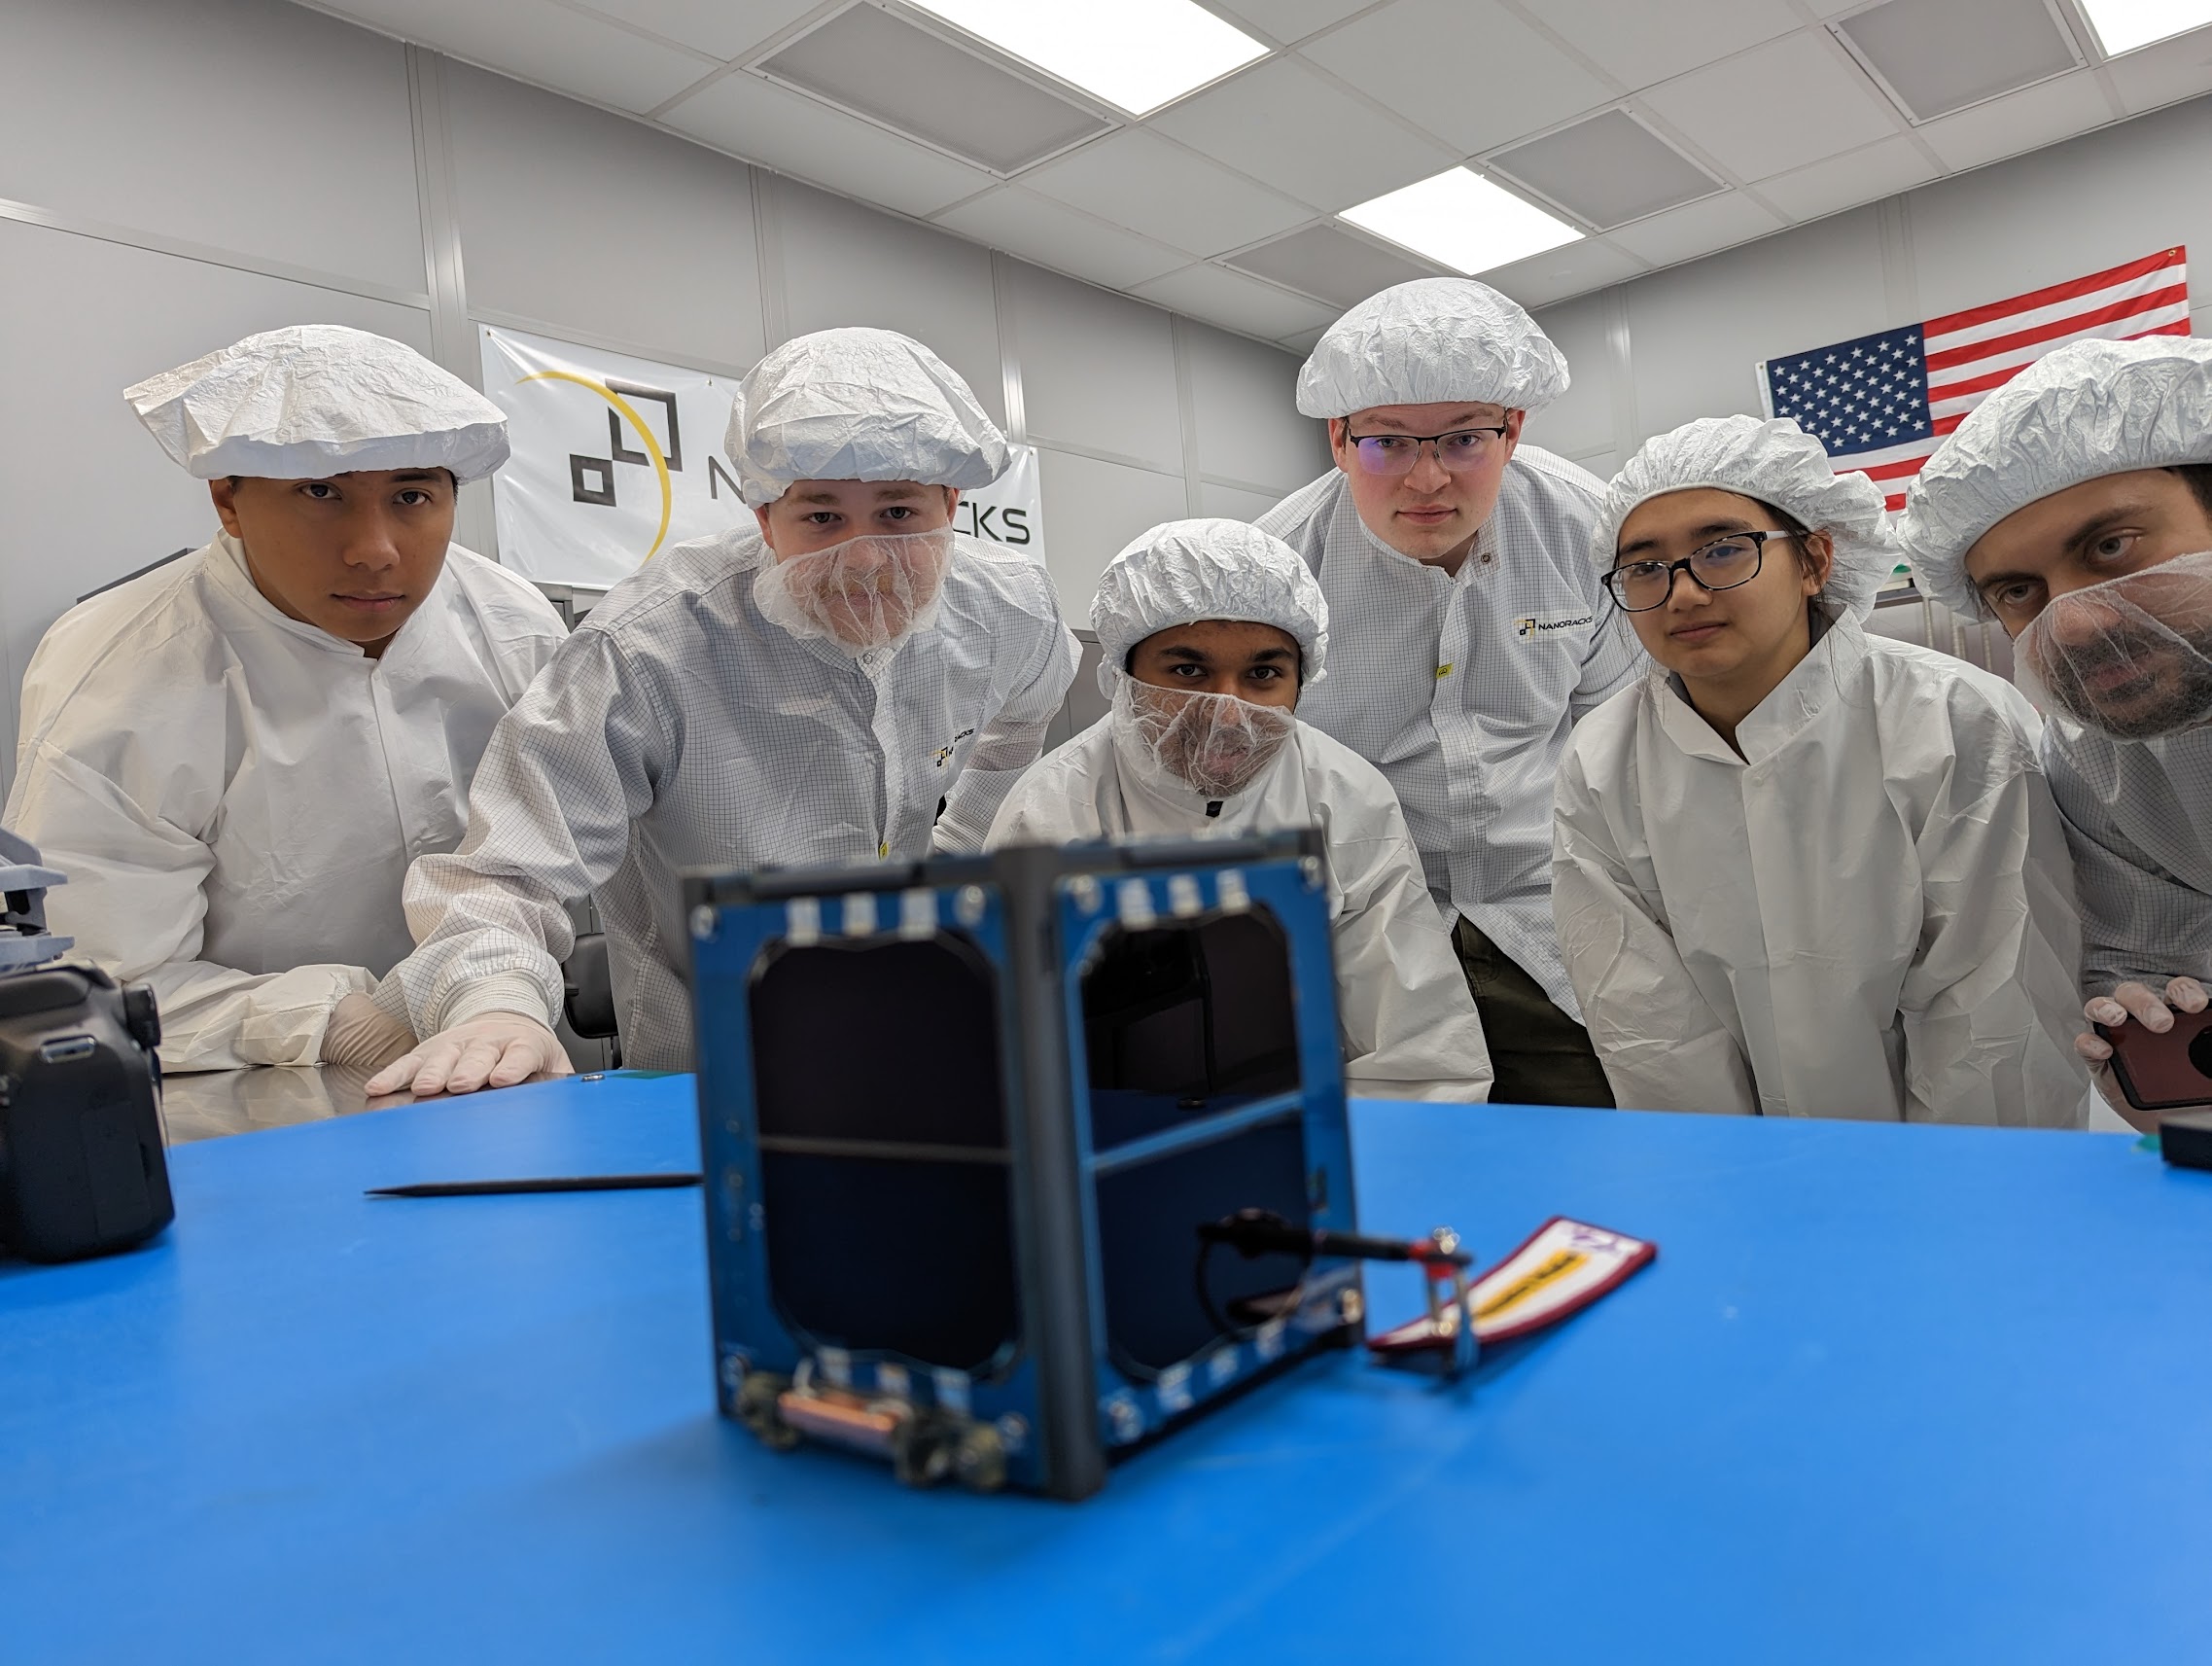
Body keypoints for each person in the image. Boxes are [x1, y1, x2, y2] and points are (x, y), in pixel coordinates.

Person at [366, 328, 1078, 1096]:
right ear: (766, 519)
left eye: (899, 513)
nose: (866, 560)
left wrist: (956, 847)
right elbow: (508, 865)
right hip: (708, 1057)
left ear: (951, 507)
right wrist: (494, 1004)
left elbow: (1023, 721)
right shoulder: (650, 646)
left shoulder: (1008, 608)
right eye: (822, 518)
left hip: (909, 1024)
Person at [3, 325, 566, 1073]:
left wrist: (495, 994)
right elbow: (96, 979)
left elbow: (543, 855)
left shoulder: (510, 625)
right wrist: (330, 1022)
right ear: (227, 502)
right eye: (321, 492)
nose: (375, 548)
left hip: (498, 1067)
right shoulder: (123, 671)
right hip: (241, 1101)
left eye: (411, 495)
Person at [1552, 415, 2085, 1124]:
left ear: (1814, 560)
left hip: (1959, 1172)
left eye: (1721, 549)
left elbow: (1994, 1007)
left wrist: (1952, 1197)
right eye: (1644, 567)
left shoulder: (1953, 719)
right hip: (1733, 1178)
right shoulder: (1600, 761)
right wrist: (1732, 1185)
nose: (1681, 592)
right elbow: (1649, 1026)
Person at [1257, 278, 1637, 1107]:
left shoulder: (1587, 532)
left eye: (1463, 439)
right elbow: (1257, 780)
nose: (1426, 479)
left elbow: (1626, 743)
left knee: (1596, 1153)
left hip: (1553, 920)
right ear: (1336, 438)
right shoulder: (1280, 569)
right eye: (1387, 443)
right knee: (1405, 1179)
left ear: (1514, 430)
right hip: (1366, 928)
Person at [989, 518, 1493, 1102]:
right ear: (1122, 676)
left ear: (1302, 683)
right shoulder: (1054, 807)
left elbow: (1416, 1045)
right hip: (1110, 1135)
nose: (1227, 709)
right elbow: (1016, 1051)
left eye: (1262, 675)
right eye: (1187, 671)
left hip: (1309, 1126)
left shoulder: (1345, 795)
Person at [1897, 336, 2212, 1126]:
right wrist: (2143, 1025)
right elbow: (2147, 954)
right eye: (2016, 589)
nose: (2074, 624)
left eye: (2110, 547)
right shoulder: (2094, 758)